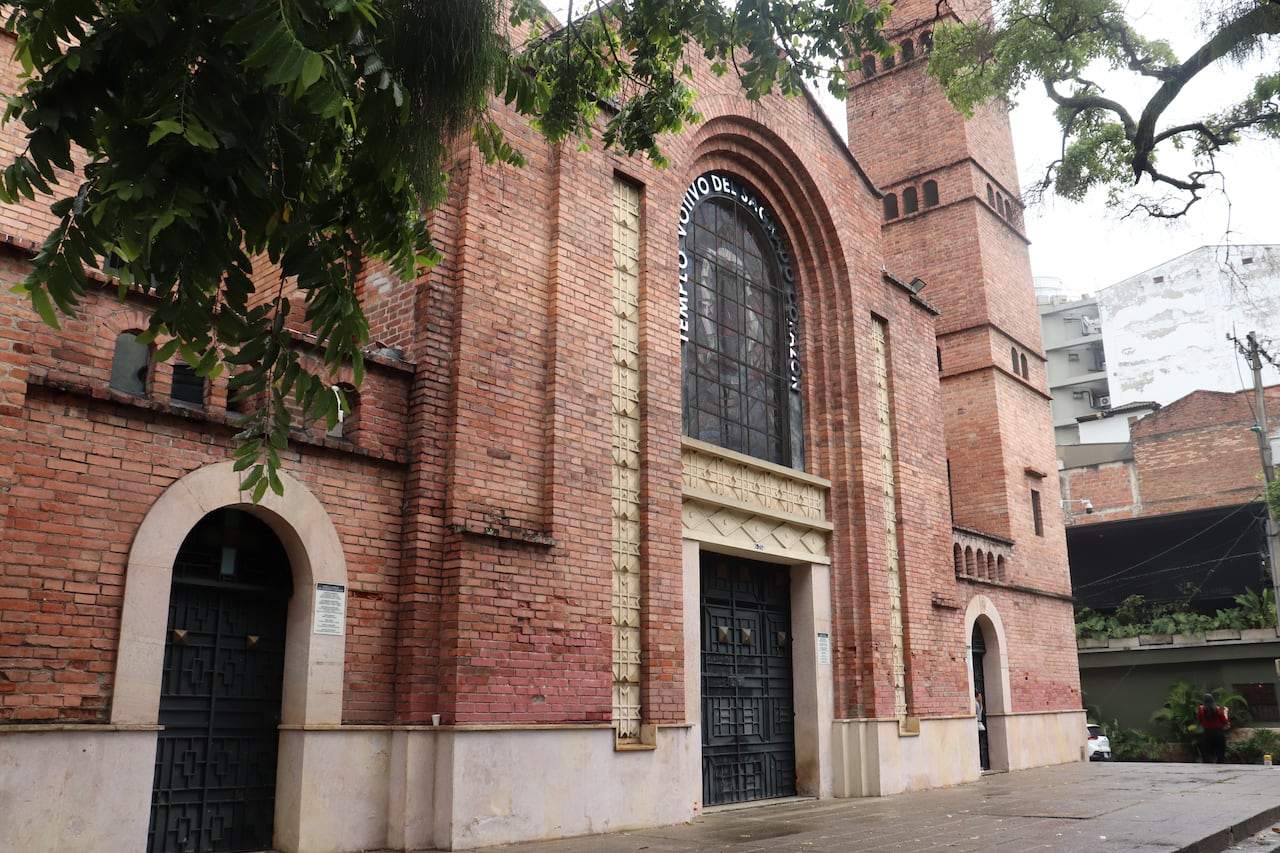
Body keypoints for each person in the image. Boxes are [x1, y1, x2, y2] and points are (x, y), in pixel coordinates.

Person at [1197, 693, 1229, 763]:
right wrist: (1225, 712)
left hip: (1207, 733)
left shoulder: (1201, 709)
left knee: (1207, 753)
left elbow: (1199, 720)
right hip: (1218, 733)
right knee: (1220, 754)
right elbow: (1225, 721)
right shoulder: (1217, 709)